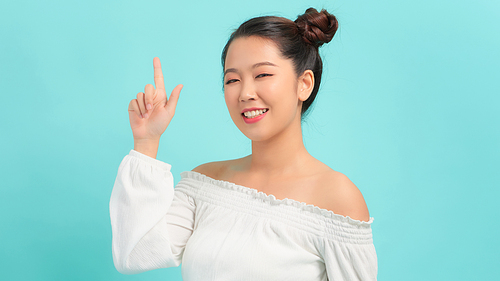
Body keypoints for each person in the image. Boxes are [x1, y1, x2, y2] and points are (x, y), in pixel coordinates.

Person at [110, 7, 377, 281]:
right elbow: (135, 253)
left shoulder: (336, 197)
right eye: (233, 80)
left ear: (304, 84)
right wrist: (146, 141)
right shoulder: (205, 183)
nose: (246, 93)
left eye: (262, 75)